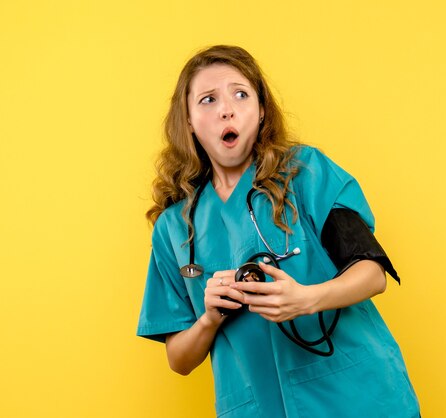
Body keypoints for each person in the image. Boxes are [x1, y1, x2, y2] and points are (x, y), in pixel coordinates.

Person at [137, 45, 420, 418]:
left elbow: (371, 273)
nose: (227, 108)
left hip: (354, 395)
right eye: (208, 99)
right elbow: (179, 359)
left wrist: (307, 298)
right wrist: (210, 317)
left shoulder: (306, 173)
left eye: (241, 94)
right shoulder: (175, 228)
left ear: (261, 110)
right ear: (188, 120)